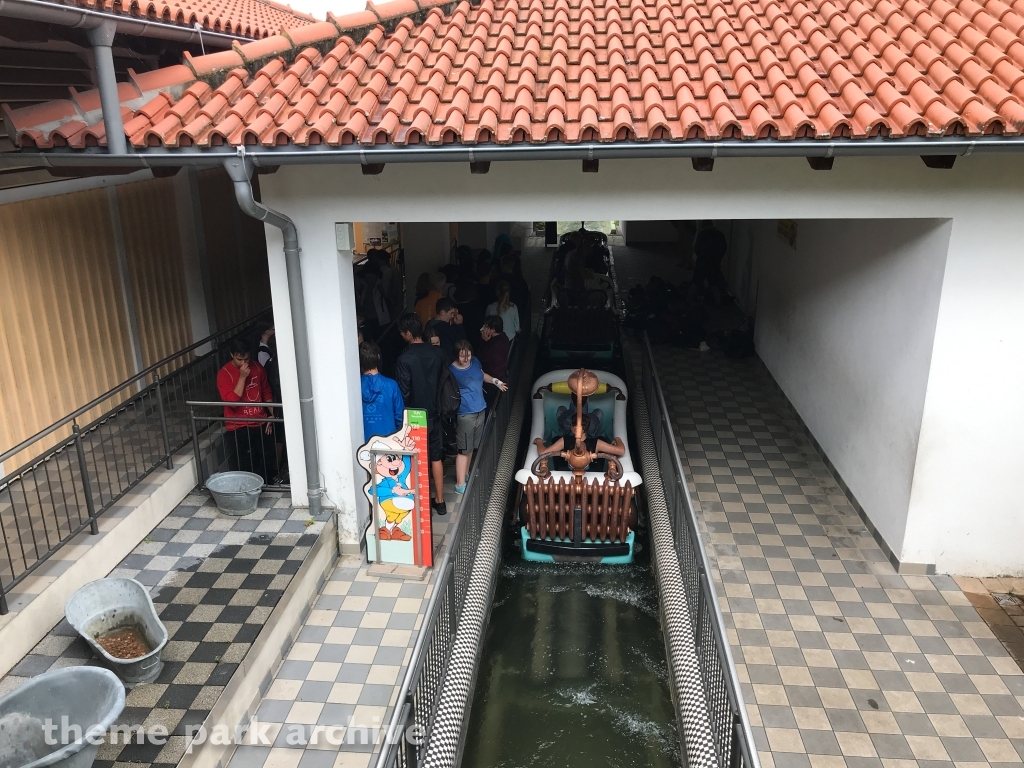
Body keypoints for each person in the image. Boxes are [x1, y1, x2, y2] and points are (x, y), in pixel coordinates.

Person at [394, 314, 449, 515]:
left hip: (415, 417)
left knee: (416, 458)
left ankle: (419, 502)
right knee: (436, 457)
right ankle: (440, 502)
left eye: (402, 332)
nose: (401, 335)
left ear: (409, 333)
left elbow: (404, 392)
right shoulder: (438, 353)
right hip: (435, 413)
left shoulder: (404, 359)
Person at [449, 339, 506, 494]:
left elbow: (481, 375)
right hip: (465, 413)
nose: (466, 358)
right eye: (462, 356)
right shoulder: (452, 371)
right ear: (456, 356)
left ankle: (466, 475)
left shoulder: (475, 361)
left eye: (468, 355)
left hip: (480, 408)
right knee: (464, 449)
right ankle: (460, 484)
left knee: (472, 447)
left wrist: (496, 381)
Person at [217, 338, 276, 483]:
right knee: (245, 461)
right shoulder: (224, 374)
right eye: (239, 359)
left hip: (260, 420)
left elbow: (266, 392)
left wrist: (273, 415)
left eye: (247, 358)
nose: (244, 363)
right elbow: (232, 403)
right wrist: (242, 377)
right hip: (239, 425)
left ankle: (266, 486)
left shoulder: (258, 368)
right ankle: (247, 489)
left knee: (266, 457)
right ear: (232, 355)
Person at [533, 413, 625, 461]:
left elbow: (542, 453)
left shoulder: (564, 441)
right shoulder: (596, 443)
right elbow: (621, 450)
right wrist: (617, 439)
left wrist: (539, 441)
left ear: (572, 428)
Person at [360, 342, 404, 442]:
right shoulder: (391, 385)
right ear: (378, 357)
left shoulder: (354, 387)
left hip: (362, 445)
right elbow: (400, 418)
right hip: (388, 442)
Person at [425, 297, 466, 362]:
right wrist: (459, 325)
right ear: (442, 313)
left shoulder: (429, 324)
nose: (453, 316)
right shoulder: (445, 328)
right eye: (451, 313)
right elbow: (462, 343)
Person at [476, 315, 511, 381]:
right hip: (501, 373)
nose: (483, 327)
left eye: (486, 326)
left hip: (491, 377)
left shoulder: (495, 345)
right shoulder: (503, 336)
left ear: (493, 330)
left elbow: (480, 358)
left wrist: (483, 341)